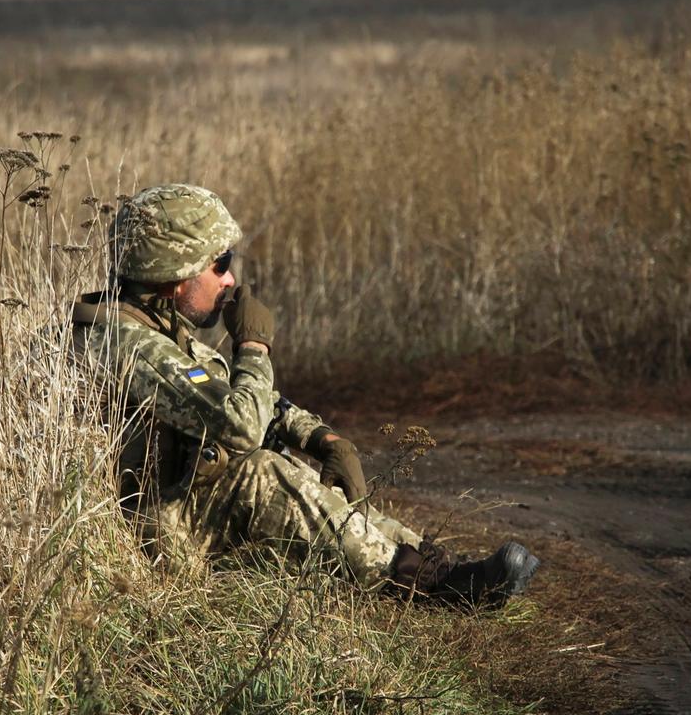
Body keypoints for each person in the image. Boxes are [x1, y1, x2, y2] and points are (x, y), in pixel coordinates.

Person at [67, 183, 539, 606]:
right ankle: (423, 583)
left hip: (177, 507)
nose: (230, 279)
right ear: (174, 277)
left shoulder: (156, 327)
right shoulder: (127, 346)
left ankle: (431, 565)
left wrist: (322, 440)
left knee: (290, 463)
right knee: (260, 470)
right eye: (220, 264)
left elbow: (240, 397)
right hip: (154, 534)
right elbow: (240, 428)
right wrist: (253, 346)